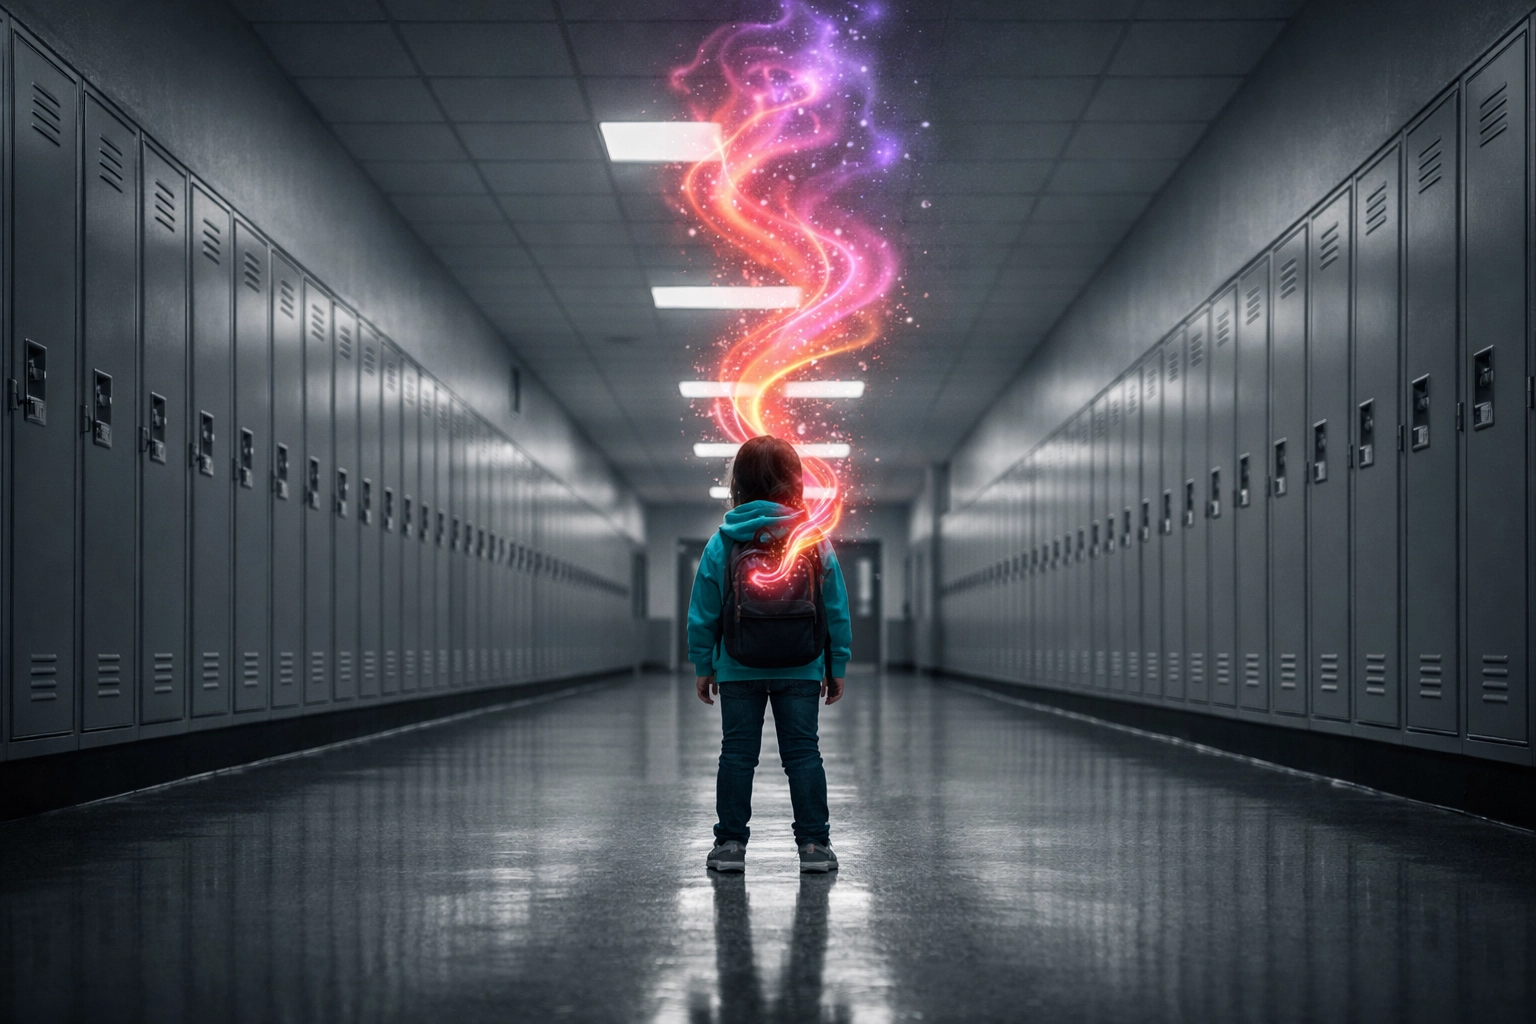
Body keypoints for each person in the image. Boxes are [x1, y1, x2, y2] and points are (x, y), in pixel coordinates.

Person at [688, 435, 852, 874]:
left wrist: (704, 666)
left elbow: (702, 612)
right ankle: (815, 846)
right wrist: (837, 666)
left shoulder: (723, 541)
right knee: (803, 753)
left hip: (737, 666)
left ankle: (730, 847)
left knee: (737, 754)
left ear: (737, 483)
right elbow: (835, 609)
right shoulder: (814, 541)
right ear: (795, 482)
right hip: (801, 665)